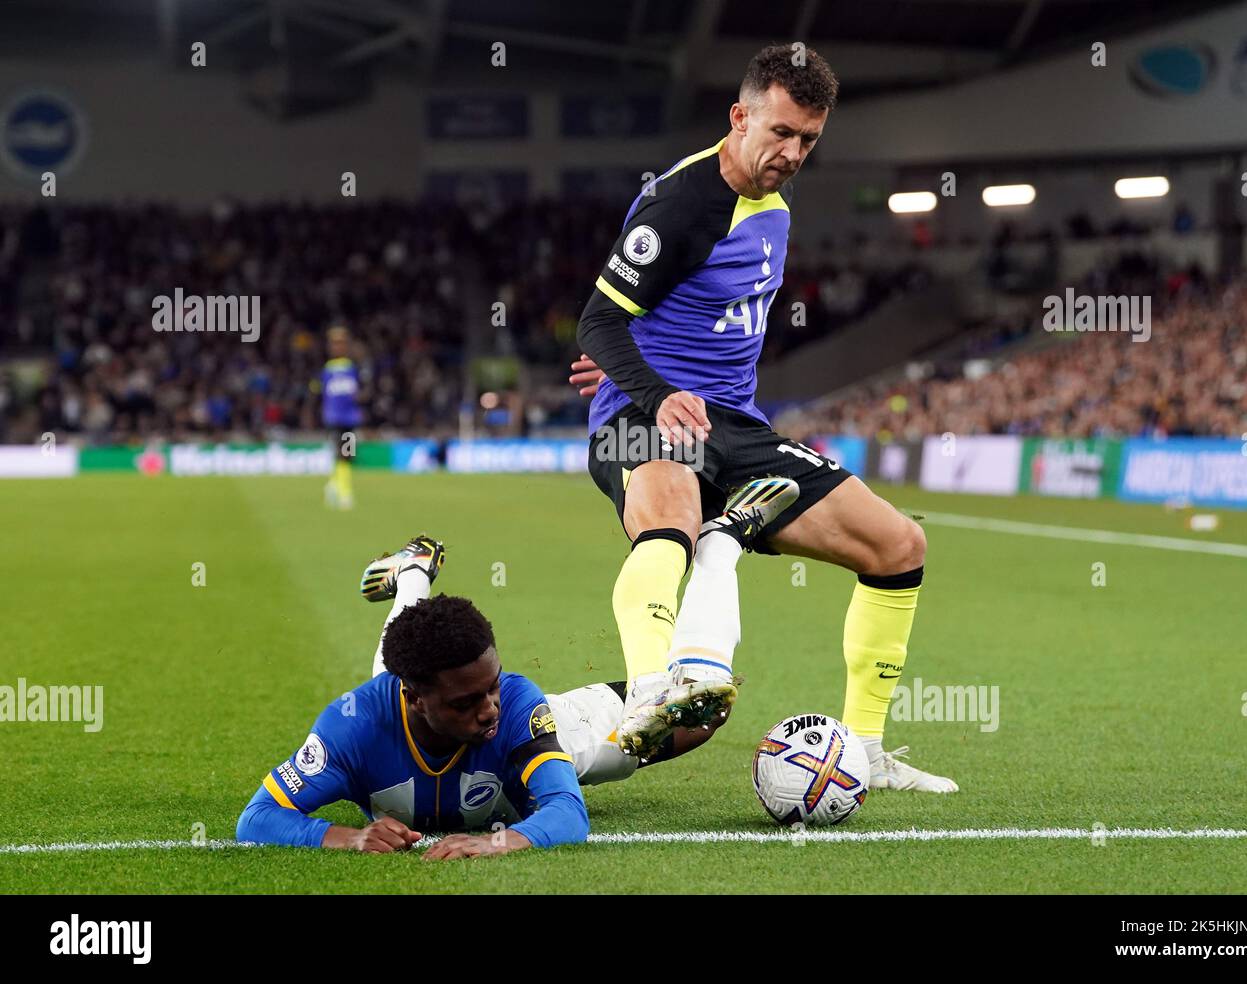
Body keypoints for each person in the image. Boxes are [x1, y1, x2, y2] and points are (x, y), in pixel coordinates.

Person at [572, 43, 957, 792]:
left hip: (735, 425)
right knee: (671, 517)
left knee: (898, 544)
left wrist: (645, 354)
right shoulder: (681, 203)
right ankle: (653, 693)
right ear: (739, 116)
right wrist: (650, 389)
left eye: (808, 139)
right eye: (780, 132)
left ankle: (867, 752)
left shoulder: (774, 208)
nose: (792, 152)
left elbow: (670, 320)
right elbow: (597, 321)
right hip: (643, 417)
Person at [236, 537, 725, 857]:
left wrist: (502, 842)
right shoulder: (353, 727)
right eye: (466, 702)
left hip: (554, 731)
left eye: (489, 686)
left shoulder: (512, 707)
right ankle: (412, 573)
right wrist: (347, 837)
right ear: (416, 700)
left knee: (697, 717)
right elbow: (257, 817)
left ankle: (721, 540)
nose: (487, 707)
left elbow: (567, 811)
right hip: (401, 704)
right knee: (395, 670)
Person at [320, 325, 363, 510]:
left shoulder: (352, 367)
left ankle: (333, 484)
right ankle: (345, 493)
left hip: (350, 417)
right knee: (342, 453)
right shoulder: (328, 369)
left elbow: (357, 391)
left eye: (341, 343)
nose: (337, 347)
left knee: (348, 454)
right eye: (335, 343)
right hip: (334, 416)